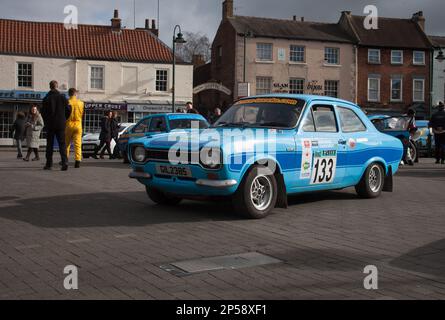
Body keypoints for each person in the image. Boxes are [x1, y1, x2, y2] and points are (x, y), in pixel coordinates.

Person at [41, 80, 71, 171]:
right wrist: (64, 118)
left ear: (50, 87)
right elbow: (69, 109)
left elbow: (43, 112)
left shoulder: (46, 98)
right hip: (61, 124)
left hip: (50, 124)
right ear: (57, 86)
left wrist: (46, 121)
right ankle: (65, 162)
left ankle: (49, 164)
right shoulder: (63, 98)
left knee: (49, 145)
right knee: (62, 144)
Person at [65, 88, 84, 168]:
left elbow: (65, 114)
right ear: (75, 94)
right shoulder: (81, 103)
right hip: (78, 124)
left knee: (67, 144)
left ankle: (65, 159)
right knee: (78, 144)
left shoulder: (67, 102)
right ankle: (77, 160)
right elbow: (82, 114)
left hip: (69, 124)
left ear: (69, 94)